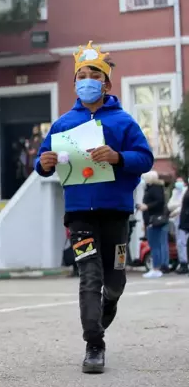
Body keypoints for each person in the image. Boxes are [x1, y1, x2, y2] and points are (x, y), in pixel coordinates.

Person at [34, 41, 153, 374]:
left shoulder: (123, 122)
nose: (87, 81)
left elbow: (145, 159)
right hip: (79, 214)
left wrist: (118, 157)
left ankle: (110, 302)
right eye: (81, 76)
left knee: (114, 279)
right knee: (89, 275)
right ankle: (94, 345)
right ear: (75, 84)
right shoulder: (62, 125)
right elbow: (42, 162)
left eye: (94, 75)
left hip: (115, 212)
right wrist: (43, 162)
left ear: (106, 83)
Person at [137, 171, 170, 278]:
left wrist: (146, 206)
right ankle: (159, 267)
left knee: (154, 245)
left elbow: (158, 202)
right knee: (159, 245)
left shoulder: (154, 188)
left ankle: (156, 268)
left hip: (153, 220)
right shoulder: (158, 188)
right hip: (156, 220)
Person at [167, 177, 188, 274]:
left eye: (180, 181)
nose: (178, 183)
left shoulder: (185, 191)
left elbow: (182, 206)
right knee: (179, 242)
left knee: (183, 242)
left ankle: (184, 263)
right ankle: (182, 262)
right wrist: (176, 207)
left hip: (183, 218)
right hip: (177, 219)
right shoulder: (175, 192)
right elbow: (170, 205)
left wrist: (174, 210)